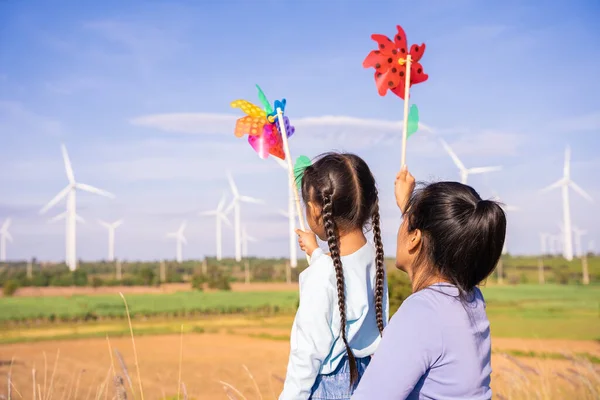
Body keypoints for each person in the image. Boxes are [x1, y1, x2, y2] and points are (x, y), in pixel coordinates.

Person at [352, 166, 506, 400]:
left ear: (415, 237)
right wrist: (408, 207)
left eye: (406, 221)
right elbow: (437, 246)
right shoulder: (471, 299)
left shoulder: (422, 312)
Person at [279, 152, 389, 400]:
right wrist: (317, 253)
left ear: (316, 209)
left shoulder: (323, 274)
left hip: (329, 386)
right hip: (366, 377)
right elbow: (346, 280)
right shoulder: (375, 256)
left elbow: (307, 353)